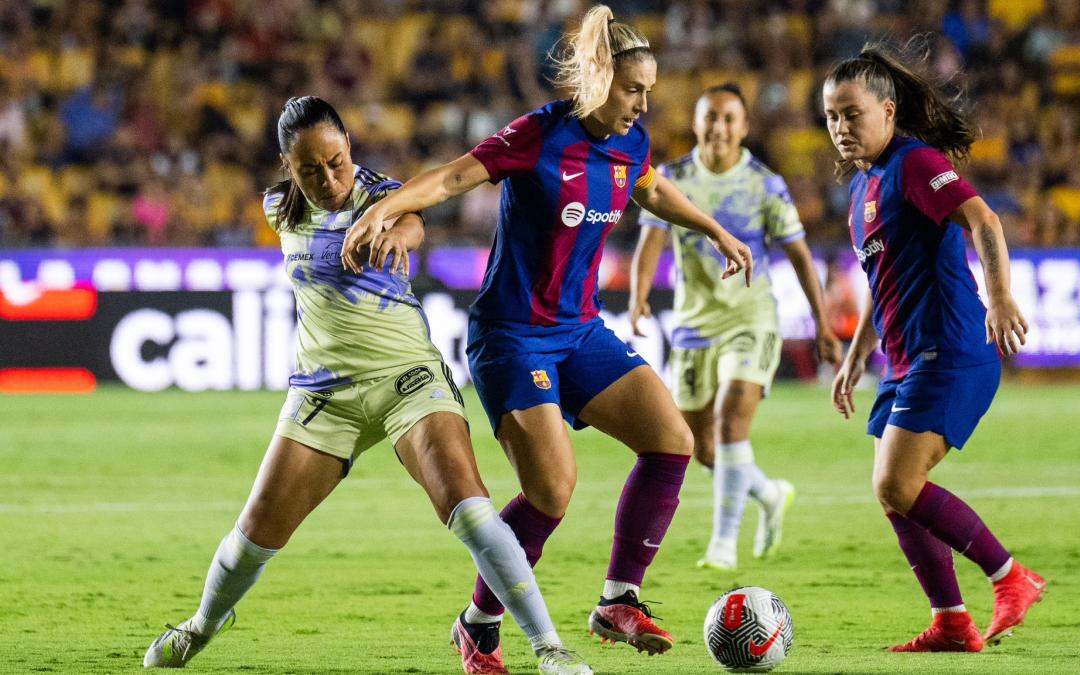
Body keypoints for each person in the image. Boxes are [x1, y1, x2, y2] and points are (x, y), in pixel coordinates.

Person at [341, 5, 752, 670]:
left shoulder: (631, 143)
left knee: (672, 439)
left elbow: (652, 190)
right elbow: (451, 176)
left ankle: (618, 598)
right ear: (596, 79)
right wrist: (387, 207)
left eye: (649, 90)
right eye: (631, 89)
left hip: (580, 330)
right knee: (553, 491)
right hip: (512, 339)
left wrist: (713, 228)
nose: (642, 103)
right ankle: (481, 623)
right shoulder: (538, 135)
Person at [142, 97, 591, 675]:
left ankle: (548, 647)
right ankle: (201, 625)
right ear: (286, 166)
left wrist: (398, 232)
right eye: (310, 170)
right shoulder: (280, 208)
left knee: (471, 509)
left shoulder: (380, 196)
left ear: (350, 146)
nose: (328, 179)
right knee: (252, 539)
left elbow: (411, 219)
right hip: (323, 394)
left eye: (336, 162)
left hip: (407, 380)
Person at [821, 45, 1046, 652]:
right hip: (906, 359)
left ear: (888, 112)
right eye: (831, 117)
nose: (841, 127)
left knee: (897, 485)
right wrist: (854, 353)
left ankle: (1011, 578)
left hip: (948, 350)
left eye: (852, 113)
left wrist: (999, 298)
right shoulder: (864, 189)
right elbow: (881, 280)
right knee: (896, 495)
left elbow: (984, 220)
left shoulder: (914, 163)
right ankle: (951, 621)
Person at [630, 83, 843, 571]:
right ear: (696, 123)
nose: (719, 127)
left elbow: (800, 256)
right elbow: (651, 241)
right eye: (711, 117)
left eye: (729, 118)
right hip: (692, 326)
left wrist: (823, 324)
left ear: (744, 127)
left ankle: (723, 544)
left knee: (730, 419)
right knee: (702, 447)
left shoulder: (765, 184)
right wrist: (640, 297)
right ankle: (767, 494)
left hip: (751, 318)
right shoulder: (672, 176)